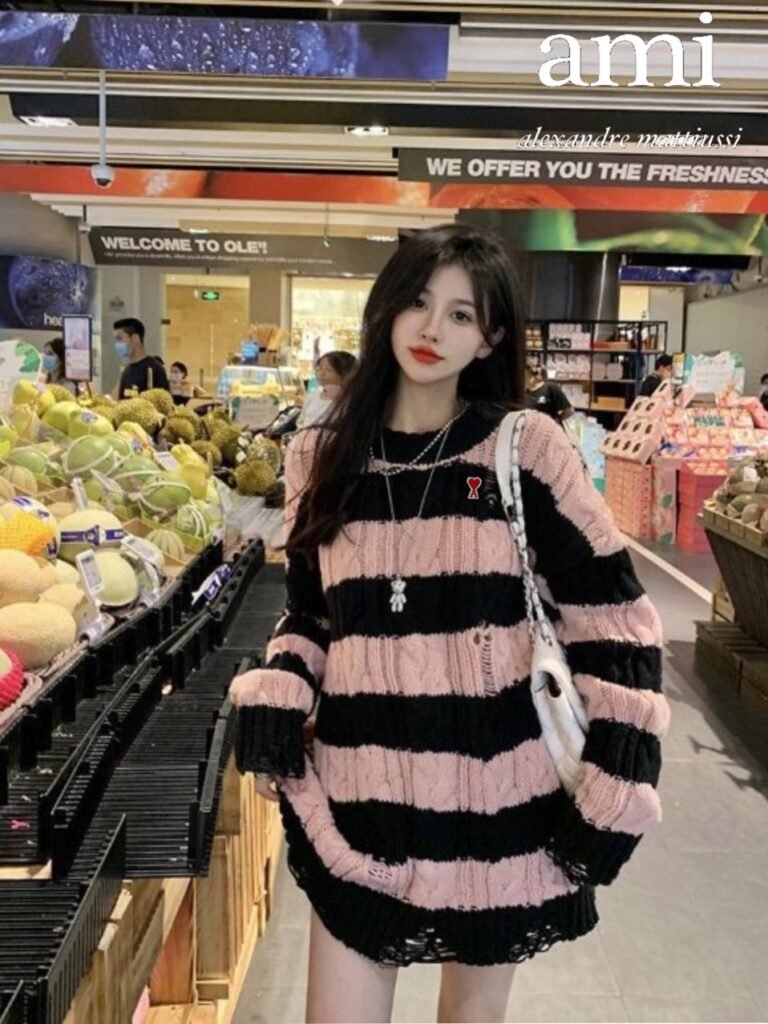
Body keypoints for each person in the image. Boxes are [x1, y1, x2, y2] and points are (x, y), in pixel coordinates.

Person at [229, 224, 667, 1024]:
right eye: (419, 302)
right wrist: (279, 687)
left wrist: (618, 778)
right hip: (359, 807)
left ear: (490, 337)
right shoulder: (320, 457)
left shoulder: (524, 449)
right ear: (386, 309)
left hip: (497, 809)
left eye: (462, 315)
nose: (432, 329)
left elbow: (614, 620)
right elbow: (313, 615)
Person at [296, 350, 358, 429]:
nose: (322, 374)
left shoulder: (349, 400)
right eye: (319, 369)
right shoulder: (313, 395)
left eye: (329, 370)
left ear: (345, 374)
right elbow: (301, 420)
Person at [111, 318, 169, 399]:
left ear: (135, 338)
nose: (117, 344)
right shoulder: (127, 371)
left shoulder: (155, 370)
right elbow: (115, 400)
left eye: (120, 339)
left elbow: (163, 402)